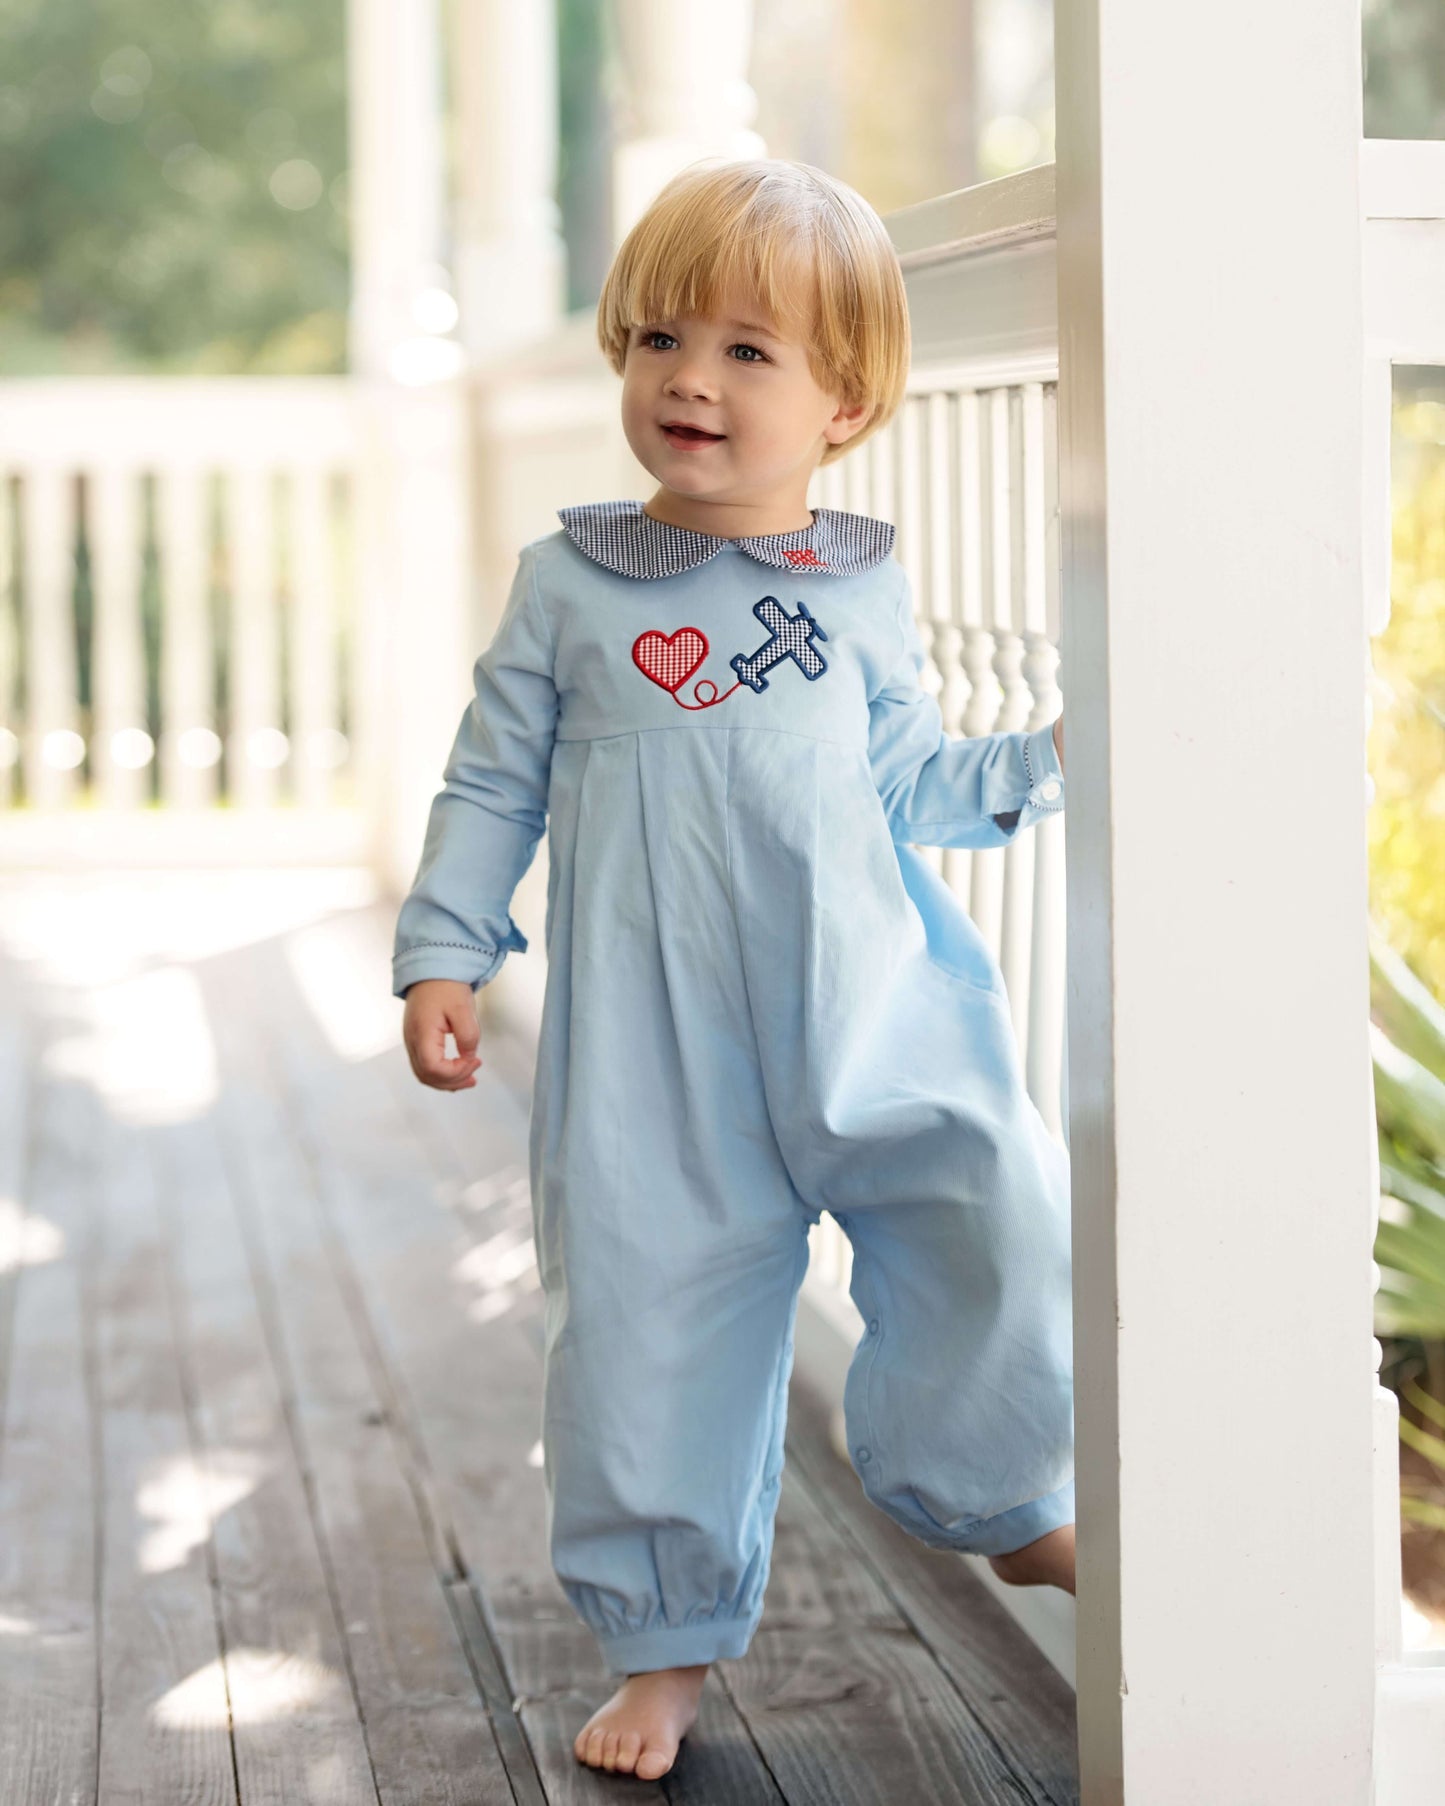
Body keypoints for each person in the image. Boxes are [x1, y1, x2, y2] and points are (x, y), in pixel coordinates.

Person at [392, 157, 1074, 1784]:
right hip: (650, 1053)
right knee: (642, 1326)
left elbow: (906, 780)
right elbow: (489, 782)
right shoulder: (569, 588)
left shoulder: (860, 588)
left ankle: (1004, 1498)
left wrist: (1043, 759)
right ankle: (667, 1641)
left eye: (748, 352)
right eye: (657, 338)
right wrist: (443, 949)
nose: (689, 377)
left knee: (992, 1210)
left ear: (844, 407)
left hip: (873, 1009)